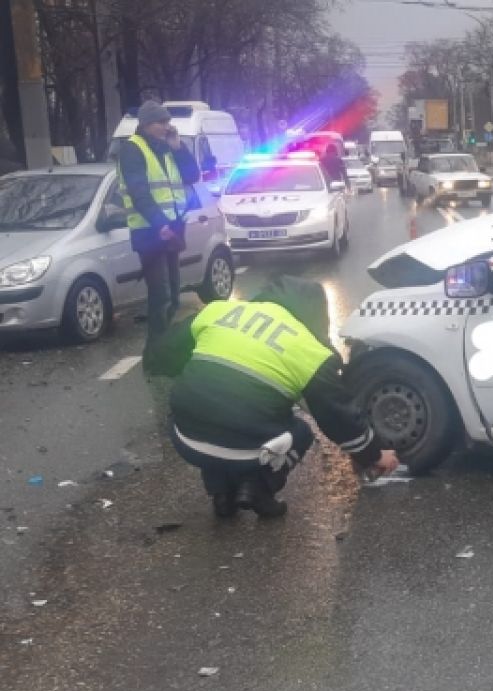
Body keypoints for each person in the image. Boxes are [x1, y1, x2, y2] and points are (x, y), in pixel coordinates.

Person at [144, 275, 400, 518]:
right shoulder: (310, 350)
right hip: (243, 451)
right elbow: (338, 418)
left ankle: (221, 494)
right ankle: (260, 486)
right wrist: (375, 455)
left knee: (210, 410)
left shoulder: (218, 311)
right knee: (301, 431)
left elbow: (159, 358)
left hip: (184, 437)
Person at [116, 100, 200, 344]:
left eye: (167, 122)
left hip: (171, 227)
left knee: (173, 294)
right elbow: (138, 191)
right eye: (161, 122)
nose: (166, 126)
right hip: (150, 231)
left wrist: (178, 148)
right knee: (161, 295)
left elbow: (192, 176)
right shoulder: (133, 149)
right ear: (146, 124)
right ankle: (157, 351)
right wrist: (159, 223)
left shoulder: (166, 148)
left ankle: (166, 346)